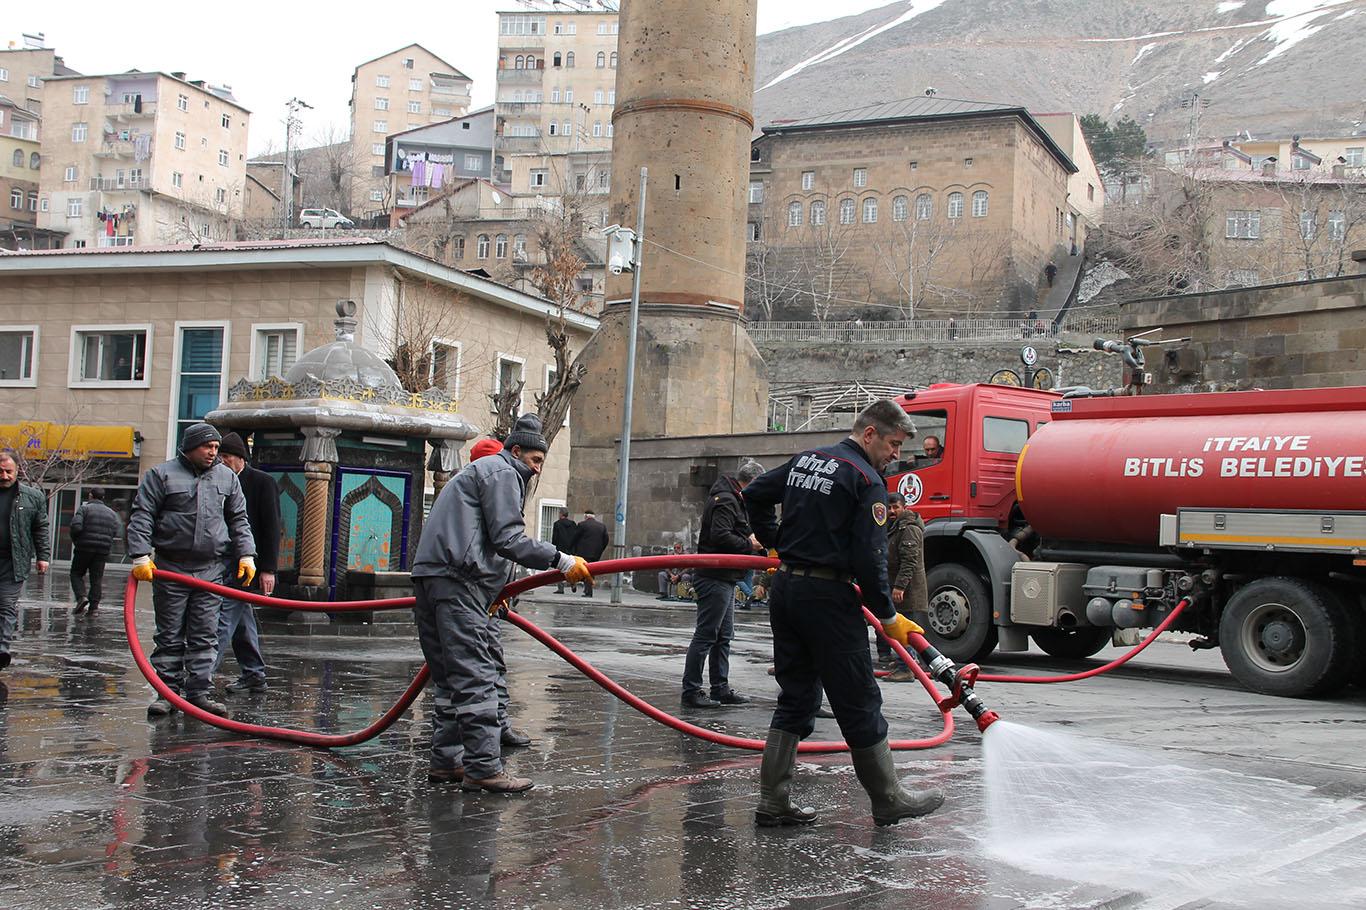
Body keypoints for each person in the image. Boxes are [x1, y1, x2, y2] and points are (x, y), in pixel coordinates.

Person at [744, 400, 945, 827]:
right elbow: (871, 557)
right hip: (828, 597)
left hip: (788, 590)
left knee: (796, 696)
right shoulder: (865, 479)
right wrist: (888, 616)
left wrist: (777, 541)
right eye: (893, 444)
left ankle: (773, 801)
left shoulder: (807, 459)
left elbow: (754, 493)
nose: (896, 454)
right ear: (869, 434)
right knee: (859, 699)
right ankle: (888, 799)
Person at [411, 414, 591, 793]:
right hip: (461, 581)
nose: (537, 468)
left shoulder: (479, 472)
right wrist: (561, 560)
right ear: (516, 450)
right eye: (535, 460)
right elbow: (508, 538)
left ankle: (448, 761)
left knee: (449, 677)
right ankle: (483, 767)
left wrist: (500, 591)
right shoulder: (503, 472)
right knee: (477, 676)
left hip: (432, 577)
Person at [127, 423, 256, 718]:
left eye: (216, 447)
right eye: (207, 447)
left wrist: (247, 554)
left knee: (205, 634)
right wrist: (140, 555)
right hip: (171, 568)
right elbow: (143, 515)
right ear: (190, 447)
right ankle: (167, 694)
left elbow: (238, 518)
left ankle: (198, 693)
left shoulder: (226, 477)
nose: (213, 452)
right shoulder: (161, 475)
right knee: (170, 635)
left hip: (211, 569)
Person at [682, 459, 764, 709]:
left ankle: (720, 688)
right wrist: (749, 544)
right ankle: (691, 691)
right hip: (714, 576)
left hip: (725, 577)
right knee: (707, 634)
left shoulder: (732, 498)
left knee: (723, 635)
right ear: (753, 481)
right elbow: (720, 535)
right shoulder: (727, 500)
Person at [213, 433, 280, 696]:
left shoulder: (262, 482)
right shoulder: (217, 481)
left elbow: (272, 527)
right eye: (220, 457)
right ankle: (254, 674)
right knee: (241, 620)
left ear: (241, 458)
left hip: (247, 563)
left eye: (227, 456)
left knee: (222, 619)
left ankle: (200, 676)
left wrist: (268, 569)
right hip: (222, 561)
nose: (222, 461)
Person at [0, 450, 49, 671]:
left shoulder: (33, 497)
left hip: (13, 562)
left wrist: (43, 556)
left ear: (17, 470)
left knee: (6, 605)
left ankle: (2, 649)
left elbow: (40, 528)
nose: (4, 476)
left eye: (8, 471)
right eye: (0, 471)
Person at [883, 492, 929, 683]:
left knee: (904, 630)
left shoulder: (908, 529)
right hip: (900, 588)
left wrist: (900, 586)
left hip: (907, 591)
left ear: (904, 507)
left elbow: (909, 561)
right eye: (889, 507)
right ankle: (906, 662)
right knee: (899, 628)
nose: (892, 511)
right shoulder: (894, 527)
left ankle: (906, 668)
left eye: (896, 507)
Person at [68, 487, 121, 615]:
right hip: (102, 550)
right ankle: (94, 608)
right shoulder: (112, 513)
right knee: (96, 579)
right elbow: (115, 530)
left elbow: (76, 526)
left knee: (76, 573)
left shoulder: (84, 509)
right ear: (103, 497)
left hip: (84, 548)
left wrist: (77, 540)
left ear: (91, 495)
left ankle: (81, 597)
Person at [572, 510, 608, 597]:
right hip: (596, 553)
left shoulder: (582, 525)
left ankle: (588, 591)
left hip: (583, 552)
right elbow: (606, 540)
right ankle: (587, 589)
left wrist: (574, 550)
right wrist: (600, 549)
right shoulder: (602, 526)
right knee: (592, 571)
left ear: (585, 516)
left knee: (586, 571)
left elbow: (575, 538)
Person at [551, 508, 579, 594]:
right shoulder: (573, 524)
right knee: (571, 567)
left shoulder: (557, 524)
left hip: (560, 549)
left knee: (560, 568)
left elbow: (555, 538)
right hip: (570, 549)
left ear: (561, 514)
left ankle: (561, 588)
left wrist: (554, 548)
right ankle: (573, 583)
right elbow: (576, 537)